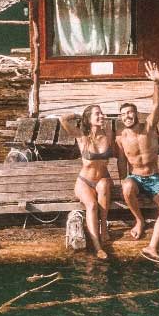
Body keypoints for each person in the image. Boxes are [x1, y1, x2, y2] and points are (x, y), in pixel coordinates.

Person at [116, 60, 159, 259]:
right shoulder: (121, 138)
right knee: (126, 187)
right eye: (123, 114)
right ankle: (139, 220)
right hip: (136, 178)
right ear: (121, 119)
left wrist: (157, 83)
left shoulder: (149, 127)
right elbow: (121, 163)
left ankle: (152, 246)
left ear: (136, 114)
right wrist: (123, 179)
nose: (127, 116)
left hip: (154, 178)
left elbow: (156, 104)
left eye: (130, 112)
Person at [59, 104, 114, 259]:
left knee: (103, 185)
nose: (101, 116)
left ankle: (103, 225)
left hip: (102, 179)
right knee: (91, 205)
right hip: (84, 181)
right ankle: (97, 246)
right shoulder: (81, 136)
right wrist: (77, 115)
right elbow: (63, 120)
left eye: (102, 113)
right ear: (89, 119)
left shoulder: (108, 132)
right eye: (97, 114)